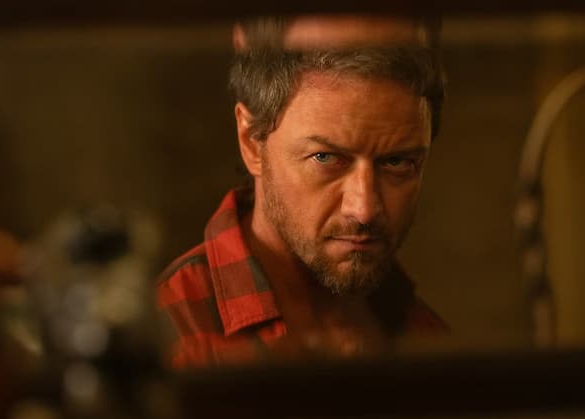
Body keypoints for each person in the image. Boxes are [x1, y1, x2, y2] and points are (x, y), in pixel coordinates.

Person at [157, 15, 448, 369]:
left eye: (397, 162)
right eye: (325, 158)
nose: (364, 209)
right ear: (251, 143)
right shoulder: (173, 333)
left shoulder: (422, 332)